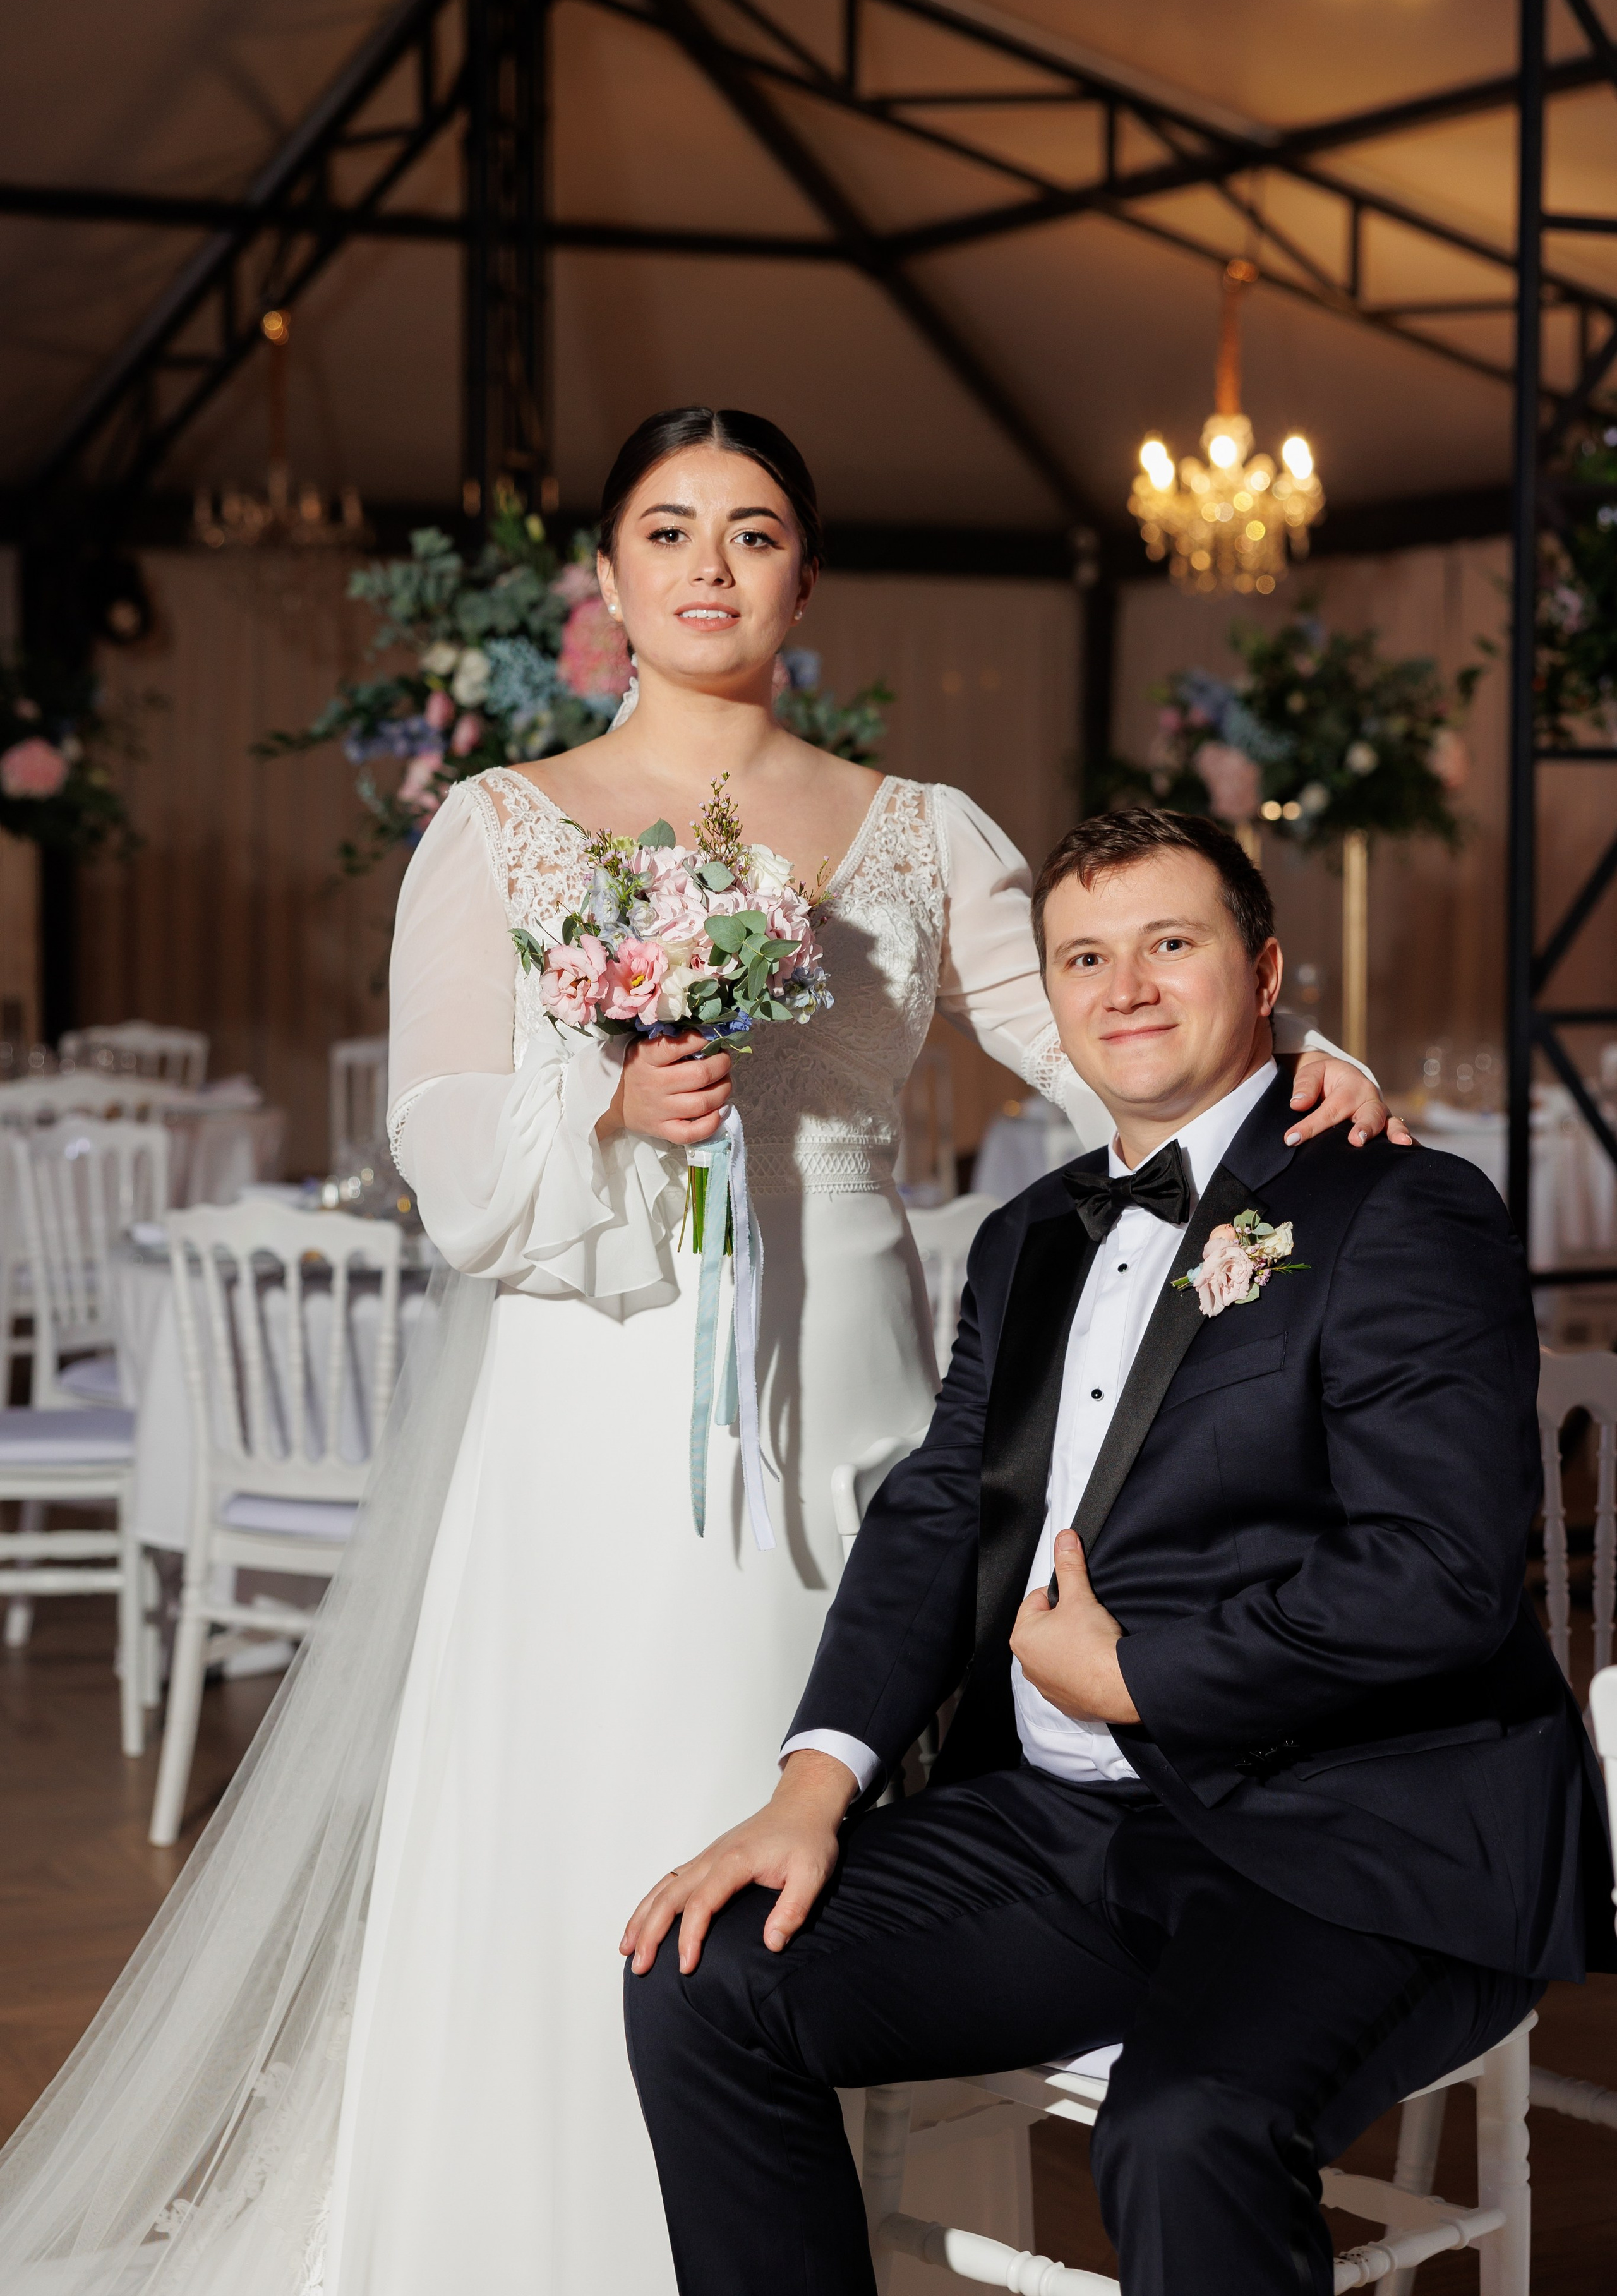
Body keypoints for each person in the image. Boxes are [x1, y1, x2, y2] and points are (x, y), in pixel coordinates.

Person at [0, 422, 1392, 2296]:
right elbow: (441, 1146)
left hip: (844, 1412)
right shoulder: (499, 825)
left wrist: (1294, 1087)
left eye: (754, 532)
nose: (711, 565)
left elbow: (1112, 1052)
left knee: (795, 1813)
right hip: (586, 1402)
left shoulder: (922, 832)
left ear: (807, 580)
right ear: (611, 578)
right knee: (576, 1820)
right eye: (670, 531)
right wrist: (610, 1102)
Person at [622, 804, 1616, 2296]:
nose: (1124, 987)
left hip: (1358, 1835)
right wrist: (811, 1784)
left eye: (1170, 945)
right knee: (704, 1977)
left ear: (1264, 971)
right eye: (1083, 957)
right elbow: (940, 1509)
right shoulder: (1027, 1236)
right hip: (1074, 1831)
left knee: (1183, 2129)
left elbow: (1443, 1576)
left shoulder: (1400, 1205)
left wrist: (1136, 1672)